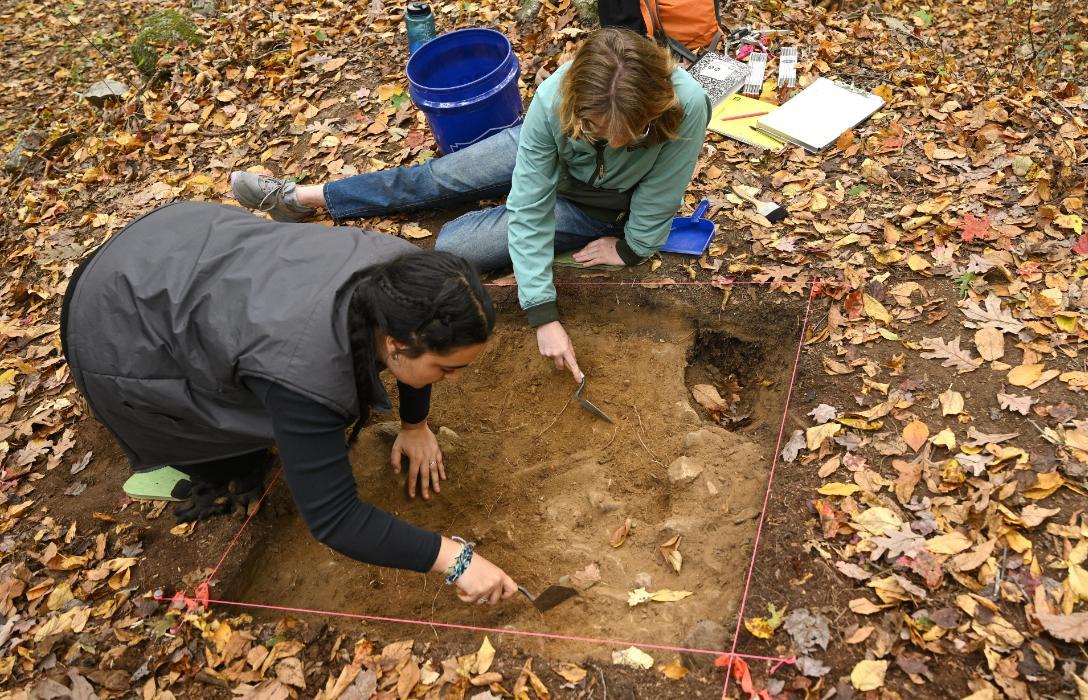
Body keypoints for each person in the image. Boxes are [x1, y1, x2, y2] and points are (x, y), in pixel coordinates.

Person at [61, 201, 518, 606]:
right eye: (446, 369)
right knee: (236, 470)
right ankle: (187, 466)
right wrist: (454, 559)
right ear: (396, 344)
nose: (454, 378)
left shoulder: (410, 280)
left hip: (179, 241)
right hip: (115, 321)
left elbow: (417, 353)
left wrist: (415, 425)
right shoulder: (304, 374)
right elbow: (335, 519)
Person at [229, 27, 710, 384]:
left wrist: (631, 247)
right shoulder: (553, 100)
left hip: (597, 205)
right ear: (579, 110)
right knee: (440, 175)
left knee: (457, 244)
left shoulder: (685, 104)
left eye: (632, 132)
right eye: (604, 131)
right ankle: (302, 197)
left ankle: (348, 239)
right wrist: (544, 312)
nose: (620, 141)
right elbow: (529, 203)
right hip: (542, 158)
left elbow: (661, 191)